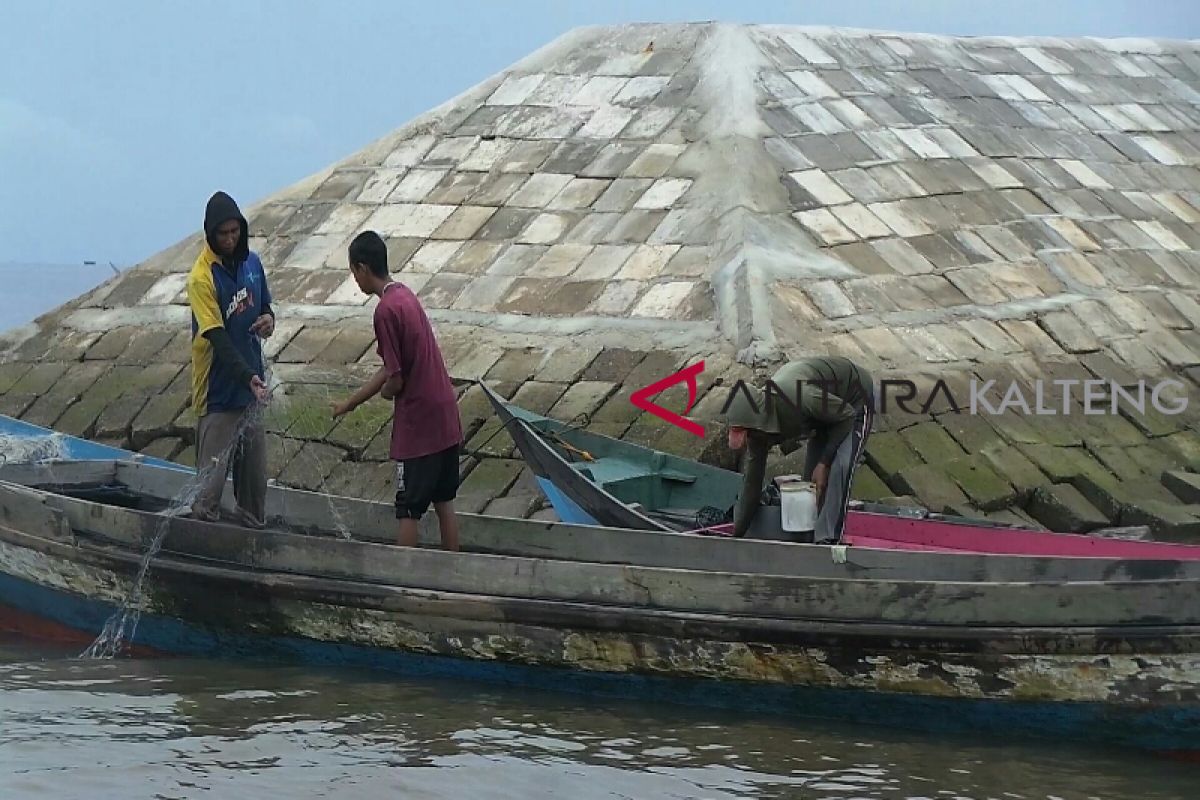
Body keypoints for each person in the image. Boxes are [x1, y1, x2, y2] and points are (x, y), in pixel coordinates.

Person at [332, 230, 463, 552]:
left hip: (420, 424)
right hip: (445, 414)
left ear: (362, 269)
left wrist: (387, 393)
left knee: (408, 509)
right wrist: (351, 403)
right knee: (444, 501)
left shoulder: (385, 311)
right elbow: (391, 366)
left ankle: (403, 577)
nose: (356, 281)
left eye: (354, 273)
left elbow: (395, 379)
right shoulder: (405, 296)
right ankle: (454, 572)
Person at [187, 190, 274, 528]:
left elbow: (264, 306)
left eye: (234, 232)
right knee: (209, 485)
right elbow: (216, 337)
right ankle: (201, 532)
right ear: (210, 234)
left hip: (252, 390)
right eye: (222, 234)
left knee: (254, 483)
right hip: (219, 393)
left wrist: (269, 319)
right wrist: (246, 377)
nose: (229, 239)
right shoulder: (201, 277)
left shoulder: (252, 263)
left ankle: (252, 533)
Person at [723, 356, 874, 542]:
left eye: (744, 432)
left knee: (839, 467)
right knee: (811, 484)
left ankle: (829, 541)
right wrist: (736, 534)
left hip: (852, 401)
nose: (747, 439)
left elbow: (846, 415)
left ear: (756, 422)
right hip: (822, 416)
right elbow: (752, 482)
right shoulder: (756, 434)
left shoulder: (797, 396)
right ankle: (809, 540)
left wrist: (824, 463)